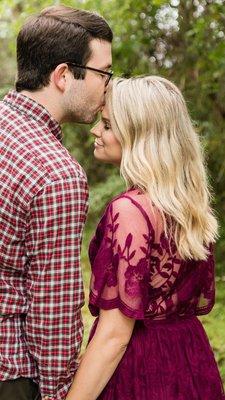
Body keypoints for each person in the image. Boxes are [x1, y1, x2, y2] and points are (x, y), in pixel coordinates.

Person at [66, 76, 225, 400]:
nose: (96, 131)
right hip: (190, 360)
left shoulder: (130, 212)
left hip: (142, 371)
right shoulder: (185, 205)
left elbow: (115, 335)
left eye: (107, 125)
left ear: (139, 137)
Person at [0, 5, 112, 400]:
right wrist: (61, 392)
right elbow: (55, 314)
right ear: (64, 75)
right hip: (12, 375)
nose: (108, 87)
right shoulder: (56, 174)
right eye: (104, 73)